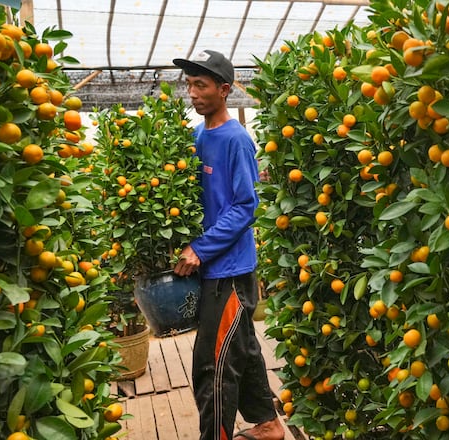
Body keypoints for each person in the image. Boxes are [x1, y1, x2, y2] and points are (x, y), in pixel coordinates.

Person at [172, 50, 284, 440]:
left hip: (230, 272)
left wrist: (200, 248)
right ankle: (268, 425)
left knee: (213, 366)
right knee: (244, 349)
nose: (192, 93)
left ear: (224, 89)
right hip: (212, 269)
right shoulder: (198, 135)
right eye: (189, 84)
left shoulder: (237, 140)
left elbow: (245, 206)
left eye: (201, 85)